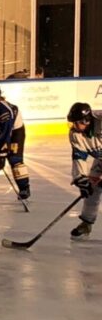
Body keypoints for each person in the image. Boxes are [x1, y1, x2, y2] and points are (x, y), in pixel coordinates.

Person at [66, 102, 102, 240]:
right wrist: (81, 178)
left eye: (76, 123)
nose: (73, 126)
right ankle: (86, 223)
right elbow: (79, 156)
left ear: (86, 120)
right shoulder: (76, 134)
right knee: (92, 189)